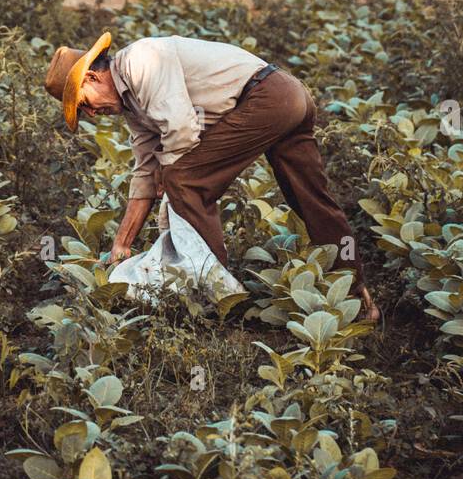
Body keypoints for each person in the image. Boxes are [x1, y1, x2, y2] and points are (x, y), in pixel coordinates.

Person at [44, 30, 380, 323]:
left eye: (83, 104)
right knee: (310, 198)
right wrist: (122, 244)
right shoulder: (132, 106)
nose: (90, 114)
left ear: (91, 77)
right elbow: (146, 173)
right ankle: (357, 296)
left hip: (270, 97)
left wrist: (171, 202)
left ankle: (215, 292)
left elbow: (181, 130)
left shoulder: (141, 60)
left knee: (183, 179)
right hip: (289, 96)